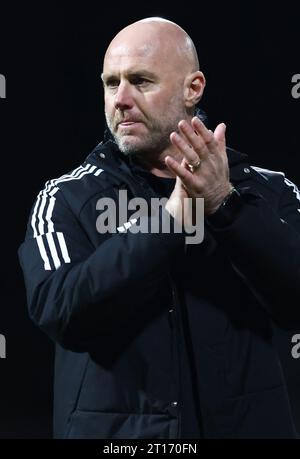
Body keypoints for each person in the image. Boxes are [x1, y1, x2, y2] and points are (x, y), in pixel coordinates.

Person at [18, 17, 300, 439]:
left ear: (194, 88)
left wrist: (225, 204)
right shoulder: (65, 198)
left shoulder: (269, 189)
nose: (121, 99)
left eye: (141, 81)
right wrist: (169, 219)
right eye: (111, 84)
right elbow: (60, 311)